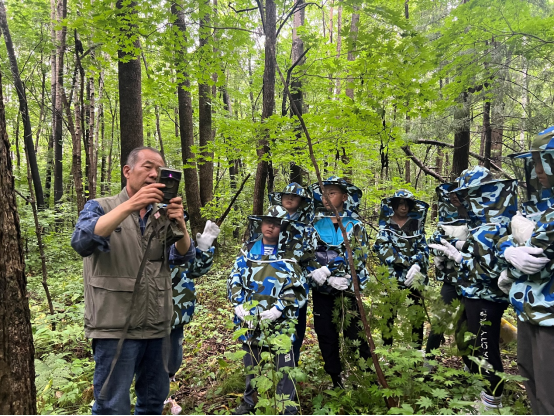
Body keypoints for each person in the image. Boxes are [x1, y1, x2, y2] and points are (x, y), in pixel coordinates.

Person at [71, 146, 195, 415]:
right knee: (112, 405)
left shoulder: (161, 214)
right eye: (147, 167)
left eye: (159, 169)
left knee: (152, 402)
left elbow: (183, 256)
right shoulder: (100, 206)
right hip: (114, 327)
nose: (154, 174)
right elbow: (81, 242)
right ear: (128, 171)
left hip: (158, 325)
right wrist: (131, 205)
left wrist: (180, 224)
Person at [430, 166, 519, 412]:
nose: (463, 201)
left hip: (486, 298)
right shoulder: (482, 221)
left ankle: (492, 403)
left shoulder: (495, 222)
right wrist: (461, 251)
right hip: (473, 293)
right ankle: (482, 389)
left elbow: (489, 269)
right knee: (469, 340)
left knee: (486, 349)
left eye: (467, 195)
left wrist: (461, 259)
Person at [496, 126, 554, 415]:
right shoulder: (539, 203)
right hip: (528, 308)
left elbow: (541, 245)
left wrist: (522, 239)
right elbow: (506, 238)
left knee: (549, 392)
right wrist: (509, 249)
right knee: (530, 383)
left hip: (551, 318)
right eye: (534, 163)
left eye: (544, 162)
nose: (537, 171)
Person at [228, 206, 307, 415]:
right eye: (267, 222)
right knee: (252, 362)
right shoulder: (247, 252)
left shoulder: (289, 257)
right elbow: (234, 278)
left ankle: (285, 407)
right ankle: (250, 402)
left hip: (280, 322)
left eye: (276, 223)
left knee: (284, 365)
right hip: (251, 319)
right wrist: (238, 305)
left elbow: (299, 287)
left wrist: (280, 308)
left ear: (283, 228)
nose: (270, 226)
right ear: (260, 224)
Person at [307, 176, 372, 389]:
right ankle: (335, 378)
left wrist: (337, 273)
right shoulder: (315, 224)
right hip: (322, 291)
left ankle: (361, 377)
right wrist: (317, 272)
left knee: (356, 333)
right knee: (326, 333)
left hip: (350, 290)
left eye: (332, 193)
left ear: (344, 197)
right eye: (324, 193)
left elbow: (358, 254)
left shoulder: (355, 225)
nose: (326, 197)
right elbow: (306, 254)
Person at [373, 190, 429, 350]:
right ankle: (386, 350)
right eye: (400, 203)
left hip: (414, 277)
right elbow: (381, 248)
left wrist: (417, 264)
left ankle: (417, 351)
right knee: (388, 315)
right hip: (392, 278)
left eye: (406, 204)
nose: (403, 207)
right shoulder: (386, 225)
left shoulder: (416, 224)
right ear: (394, 205)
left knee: (417, 315)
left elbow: (423, 248)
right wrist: (404, 262)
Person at [168, 220, 220, 382]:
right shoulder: (143, 237)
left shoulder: (181, 238)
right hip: (149, 311)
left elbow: (196, 269)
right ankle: (153, 397)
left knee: (173, 356)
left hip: (177, 311)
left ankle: (167, 392)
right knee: (150, 357)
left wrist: (203, 248)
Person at [268, 182, 314, 365]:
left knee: (295, 327)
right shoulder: (269, 222)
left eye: (295, 196)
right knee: (269, 322)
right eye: (287, 195)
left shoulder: (306, 226)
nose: (290, 198)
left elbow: (311, 256)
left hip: (296, 285)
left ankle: (290, 368)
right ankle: (268, 366)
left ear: (301, 201)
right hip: (269, 283)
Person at [425, 183, 468, 361]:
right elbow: (434, 243)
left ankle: (470, 365)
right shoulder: (447, 219)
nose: (454, 197)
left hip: (472, 281)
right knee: (440, 320)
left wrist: (458, 245)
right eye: (451, 194)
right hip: (450, 280)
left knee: (466, 325)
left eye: (459, 194)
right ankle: (428, 361)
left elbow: (481, 246)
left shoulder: (478, 218)